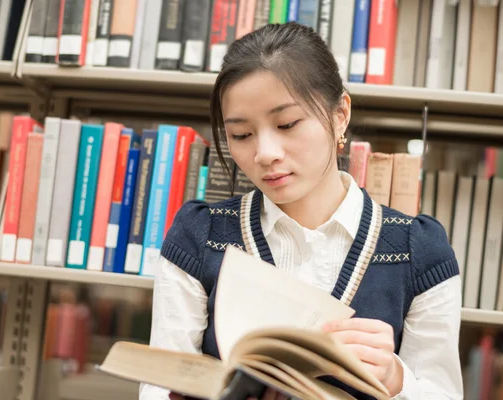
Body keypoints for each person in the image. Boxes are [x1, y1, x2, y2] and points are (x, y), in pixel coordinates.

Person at [139, 22, 463, 400]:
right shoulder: (201, 237)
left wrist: (396, 379)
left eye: (287, 124)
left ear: (340, 114)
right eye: (241, 135)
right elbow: (159, 387)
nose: (265, 153)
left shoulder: (418, 250)